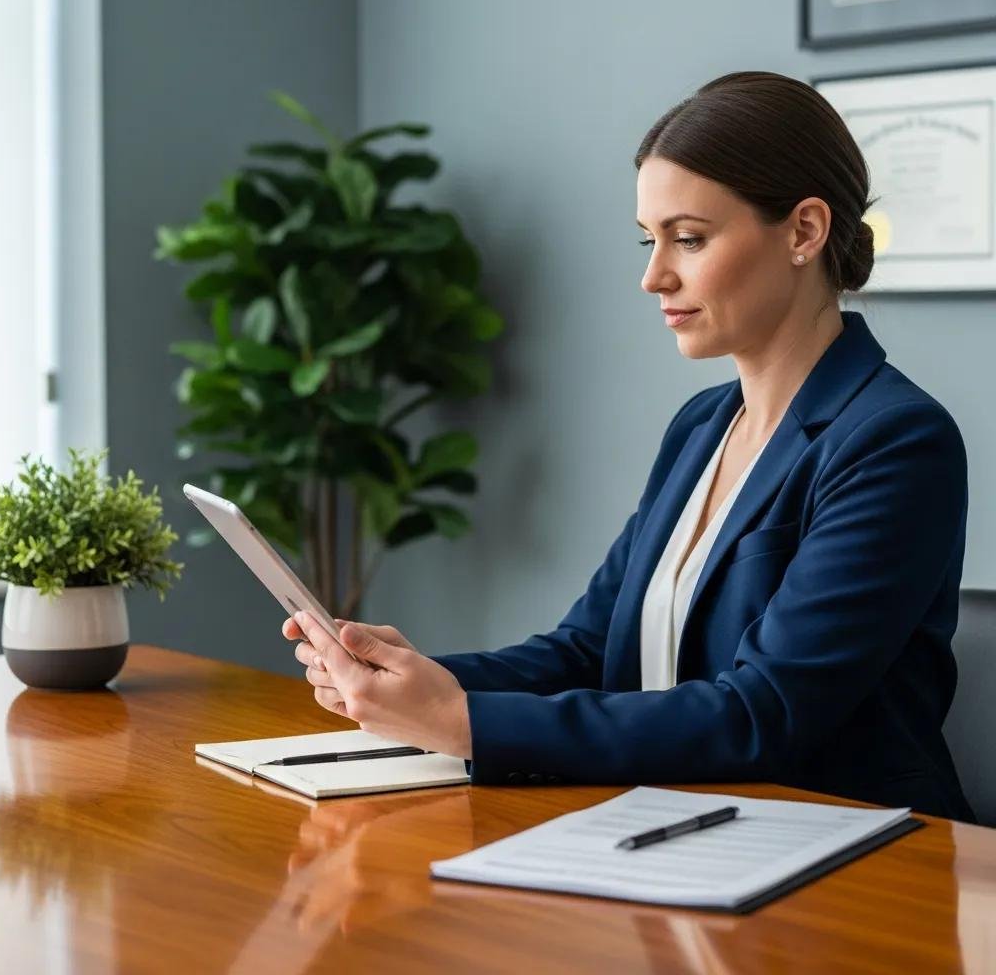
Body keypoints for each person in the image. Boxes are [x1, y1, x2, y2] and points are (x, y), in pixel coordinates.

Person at [283, 70, 975, 823]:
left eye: (689, 238)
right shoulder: (702, 427)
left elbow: (763, 713)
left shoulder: (895, 441)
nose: (653, 276)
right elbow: (589, 649)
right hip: (683, 828)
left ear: (804, 231)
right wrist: (410, 679)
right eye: (650, 240)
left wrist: (460, 722)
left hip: (852, 862)